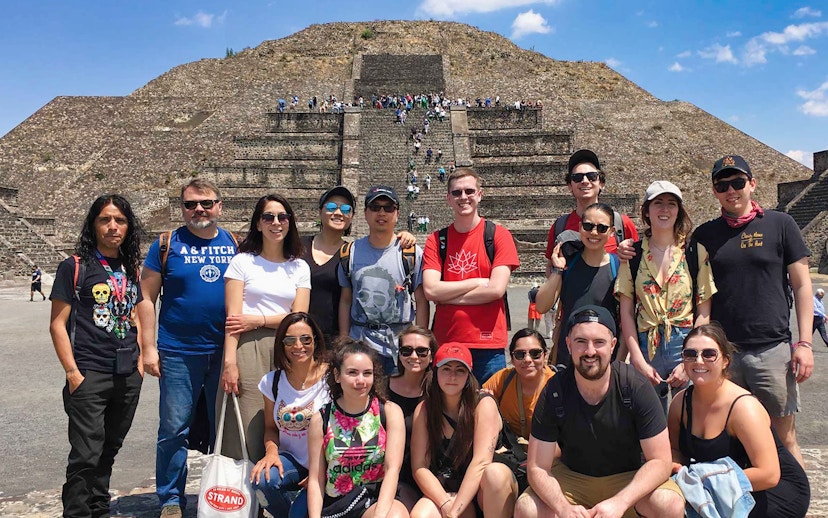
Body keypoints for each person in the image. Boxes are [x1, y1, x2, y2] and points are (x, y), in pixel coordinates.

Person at [691, 154, 814, 467]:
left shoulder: (780, 224)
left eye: (737, 182)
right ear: (714, 191)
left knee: (784, 437)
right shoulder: (706, 235)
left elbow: (802, 286)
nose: (731, 190)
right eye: (722, 185)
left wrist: (805, 344)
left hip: (771, 349)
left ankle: (792, 503)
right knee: (729, 438)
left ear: (752, 183)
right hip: (724, 354)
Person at [514, 306, 684, 518]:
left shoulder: (635, 387)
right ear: (568, 344)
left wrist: (620, 502)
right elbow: (538, 467)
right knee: (527, 508)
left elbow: (660, 460)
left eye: (599, 342)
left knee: (669, 504)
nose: (590, 351)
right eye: (581, 342)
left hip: (629, 477)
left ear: (613, 345)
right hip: (573, 478)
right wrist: (563, 509)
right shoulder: (554, 391)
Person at [139, 178, 239, 516]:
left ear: (219, 206)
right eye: (191, 204)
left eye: (207, 203)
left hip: (224, 351)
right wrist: (148, 348)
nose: (199, 209)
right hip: (178, 350)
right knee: (173, 428)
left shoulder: (235, 243)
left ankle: (220, 495)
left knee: (223, 430)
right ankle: (170, 498)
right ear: (181, 208)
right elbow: (146, 298)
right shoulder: (166, 244)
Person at [49, 194, 151, 517]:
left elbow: (135, 312)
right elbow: (57, 324)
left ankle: (99, 509)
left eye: (119, 220)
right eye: (105, 220)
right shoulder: (75, 267)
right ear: (93, 225)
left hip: (126, 373)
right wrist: (72, 373)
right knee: (85, 453)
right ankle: (77, 512)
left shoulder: (132, 269)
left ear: (128, 227)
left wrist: (140, 361)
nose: (112, 226)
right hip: (89, 372)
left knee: (109, 449)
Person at [668, 323, 810, 517]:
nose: (699, 361)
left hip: (772, 492)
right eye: (690, 354)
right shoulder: (680, 403)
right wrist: (678, 468)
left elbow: (769, 474)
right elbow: (675, 450)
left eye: (709, 354)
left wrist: (704, 479)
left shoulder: (744, 408)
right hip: (720, 486)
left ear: (726, 361)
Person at [219, 193, 311, 462]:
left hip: (289, 347)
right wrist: (229, 363)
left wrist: (258, 319)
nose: (276, 222)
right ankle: (245, 496)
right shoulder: (242, 262)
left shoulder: (298, 267)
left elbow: (300, 315)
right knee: (249, 421)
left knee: (290, 418)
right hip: (249, 347)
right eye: (268, 217)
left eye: (283, 217)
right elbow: (234, 320)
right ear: (258, 224)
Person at [615, 181, 717, 414]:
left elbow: (703, 312)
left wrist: (690, 360)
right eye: (658, 204)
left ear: (679, 211)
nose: (664, 210)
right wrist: (638, 360)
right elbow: (627, 314)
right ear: (646, 211)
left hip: (685, 343)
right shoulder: (632, 255)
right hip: (645, 345)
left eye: (671, 204)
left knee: (689, 418)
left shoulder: (694, 251)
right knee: (651, 422)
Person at [422, 168, 520, 383]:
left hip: (488, 344)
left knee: (490, 407)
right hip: (447, 341)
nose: (463, 197)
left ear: (479, 194)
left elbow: (496, 290)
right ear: (448, 198)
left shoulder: (498, 236)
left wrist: (446, 295)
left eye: (469, 191)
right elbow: (430, 290)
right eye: (457, 193)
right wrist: (477, 282)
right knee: (447, 412)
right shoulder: (436, 240)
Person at [410, 343, 518, 518]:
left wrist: (455, 511)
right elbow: (419, 466)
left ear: (469, 375)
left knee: (495, 474)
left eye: (460, 370)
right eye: (446, 369)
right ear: (435, 371)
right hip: (447, 489)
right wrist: (445, 504)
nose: (452, 376)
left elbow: (481, 462)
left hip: (484, 491)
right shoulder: (425, 409)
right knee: (420, 515)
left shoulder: (482, 404)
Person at [306, 338, 408, 518]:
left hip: (375, 500)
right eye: (352, 373)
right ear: (337, 376)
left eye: (367, 373)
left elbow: (393, 469)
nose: (360, 380)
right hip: (337, 505)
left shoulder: (389, 412)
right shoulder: (320, 419)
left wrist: (380, 515)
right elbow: (316, 478)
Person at [338, 185, 429, 377]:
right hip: (360, 344)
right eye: (375, 207)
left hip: (398, 348)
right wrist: (345, 340)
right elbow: (346, 300)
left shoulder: (410, 253)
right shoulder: (350, 252)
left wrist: (420, 341)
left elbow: (421, 300)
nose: (382, 212)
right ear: (365, 213)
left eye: (388, 207)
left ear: (397, 214)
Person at [251, 312, 330, 518]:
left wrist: (320, 472)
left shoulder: (332, 379)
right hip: (291, 460)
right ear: (281, 345)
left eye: (305, 339)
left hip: (326, 464)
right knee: (261, 480)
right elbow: (270, 428)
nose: (298, 346)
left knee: (300, 513)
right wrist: (271, 452)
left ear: (316, 340)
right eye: (290, 340)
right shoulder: (272, 382)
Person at [536, 202, 620, 367]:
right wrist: (557, 270)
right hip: (568, 356)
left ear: (611, 232)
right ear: (580, 227)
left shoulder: (618, 267)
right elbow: (541, 306)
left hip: (603, 360)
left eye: (602, 228)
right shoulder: (568, 264)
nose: (594, 233)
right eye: (588, 226)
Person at [544, 149, 638, 276]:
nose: (585, 181)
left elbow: (639, 266)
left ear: (601, 183)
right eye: (577, 177)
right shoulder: (559, 226)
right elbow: (550, 268)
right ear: (570, 185)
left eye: (592, 176)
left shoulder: (622, 223)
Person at [388, 325, 438, 510]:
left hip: (430, 473)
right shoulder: (381, 388)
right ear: (399, 354)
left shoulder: (440, 390)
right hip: (393, 474)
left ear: (432, 355)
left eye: (422, 351)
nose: (414, 356)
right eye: (406, 350)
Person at [483, 329, 555, 444]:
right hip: (509, 450)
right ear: (512, 359)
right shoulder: (503, 379)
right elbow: (475, 403)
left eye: (535, 353)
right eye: (520, 354)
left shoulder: (556, 385)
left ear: (545, 356)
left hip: (547, 454)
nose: (527, 359)